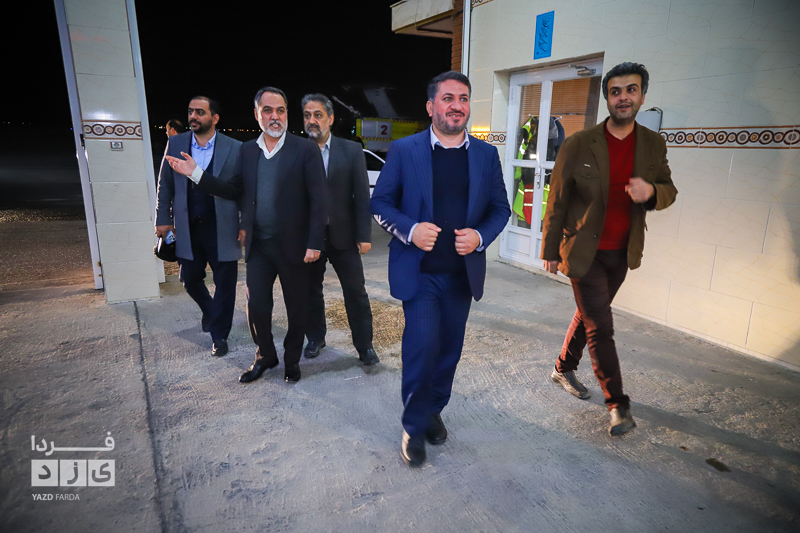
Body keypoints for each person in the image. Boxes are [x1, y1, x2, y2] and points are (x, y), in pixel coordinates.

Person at [371, 71, 511, 467]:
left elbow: (500, 209)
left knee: (449, 351)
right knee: (422, 347)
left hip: (461, 275)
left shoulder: (485, 155)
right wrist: (411, 230)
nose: (457, 106)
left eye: (463, 98)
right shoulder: (405, 150)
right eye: (448, 98)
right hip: (420, 273)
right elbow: (380, 203)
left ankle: (433, 409)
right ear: (431, 106)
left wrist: (480, 237)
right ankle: (414, 426)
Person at [542, 62, 678, 436]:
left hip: (623, 251)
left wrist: (651, 192)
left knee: (589, 315)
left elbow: (669, 190)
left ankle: (562, 368)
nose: (623, 97)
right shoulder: (579, 143)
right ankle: (618, 405)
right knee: (601, 327)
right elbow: (557, 200)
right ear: (607, 98)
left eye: (631, 90)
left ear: (642, 96)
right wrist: (550, 249)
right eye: (615, 91)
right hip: (583, 251)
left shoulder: (653, 144)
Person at [166, 87, 326, 384]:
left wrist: (315, 242)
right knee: (257, 307)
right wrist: (195, 173)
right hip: (259, 246)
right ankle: (265, 355)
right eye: (267, 110)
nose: (275, 116)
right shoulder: (248, 150)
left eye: (280, 110)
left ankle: (292, 359)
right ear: (257, 114)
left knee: (297, 309)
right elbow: (232, 189)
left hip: (294, 246)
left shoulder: (305, 149)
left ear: (286, 114)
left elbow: (319, 200)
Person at [155, 96, 242, 357]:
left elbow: (242, 190)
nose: (193, 116)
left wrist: (244, 223)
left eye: (200, 112)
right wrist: (162, 219)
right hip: (188, 227)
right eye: (191, 111)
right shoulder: (176, 142)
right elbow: (165, 184)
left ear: (214, 118)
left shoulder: (234, 147)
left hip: (223, 227)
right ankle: (210, 310)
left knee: (225, 284)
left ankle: (219, 335)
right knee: (189, 278)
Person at [301, 93, 378, 366]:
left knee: (356, 292)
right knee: (310, 291)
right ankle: (315, 338)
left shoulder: (351, 150)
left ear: (330, 118)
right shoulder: (297, 151)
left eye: (318, 115)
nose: (312, 120)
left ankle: (365, 346)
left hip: (344, 236)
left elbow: (361, 195)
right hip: (310, 238)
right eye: (307, 115)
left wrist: (364, 235)